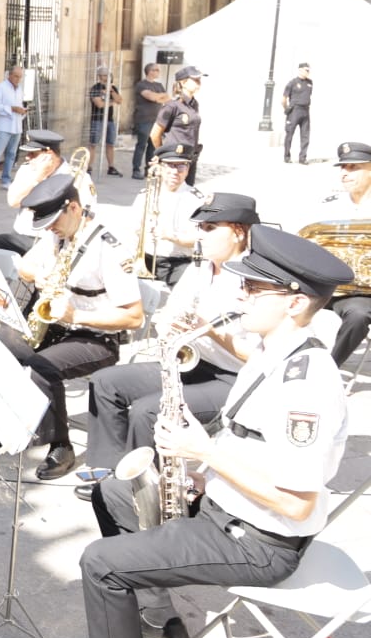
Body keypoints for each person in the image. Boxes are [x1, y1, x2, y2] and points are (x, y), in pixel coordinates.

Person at [56, 224, 350, 638]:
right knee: (112, 492)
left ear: (296, 303)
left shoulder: (306, 386)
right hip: (228, 507)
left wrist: (207, 456)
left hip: (257, 541)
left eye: (256, 288)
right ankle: (152, 613)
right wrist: (200, 472)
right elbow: (253, 446)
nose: (242, 294)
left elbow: (296, 502)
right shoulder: (271, 353)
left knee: (99, 561)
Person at [79, 193, 261, 501]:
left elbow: (260, 357)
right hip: (192, 363)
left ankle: (140, 490)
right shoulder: (201, 267)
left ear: (238, 232)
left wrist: (210, 330)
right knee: (106, 382)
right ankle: (109, 471)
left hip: (233, 378)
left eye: (209, 227)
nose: (200, 235)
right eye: (200, 227)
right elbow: (172, 311)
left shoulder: (255, 280)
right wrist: (167, 328)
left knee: (146, 411)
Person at [0, 174, 143, 480]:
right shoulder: (57, 234)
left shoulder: (109, 246)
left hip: (96, 335)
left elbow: (134, 317)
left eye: (53, 220)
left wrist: (77, 317)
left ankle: (60, 446)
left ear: (74, 207)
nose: (49, 228)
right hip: (59, 324)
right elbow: (24, 265)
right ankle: (16, 424)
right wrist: (41, 276)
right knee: (0, 344)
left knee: (41, 367)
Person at [302, 140, 371, 365]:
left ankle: (328, 368)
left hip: (360, 293)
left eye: (353, 168)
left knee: (359, 316)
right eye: (343, 167)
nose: (345, 173)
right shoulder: (326, 205)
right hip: (323, 286)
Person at [0, 129, 96, 255]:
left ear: (49, 154)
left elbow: (85, 215)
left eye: (33, 154)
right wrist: (38, 177)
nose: (27, 157)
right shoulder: (28, 170)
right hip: (20, 236)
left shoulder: (77, 176)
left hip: (51, 239)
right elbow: (13, 201)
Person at [128, 143, 207, 287]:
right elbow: (132, 232)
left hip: (177, 263)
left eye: (181, 166)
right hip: (145, 259)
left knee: (190, 291)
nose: (175, 172)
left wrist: (171, 236)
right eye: (170, 166)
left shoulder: (197, 200)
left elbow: (200, 240)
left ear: (188, 169)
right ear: (161, 168)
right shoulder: (145, 195)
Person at [151, 66, 203, 187]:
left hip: (190, 157)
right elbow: (155, 134)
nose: (199, 82)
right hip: (175, 159)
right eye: (195, 79)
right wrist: (162, 155)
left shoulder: (194, 104)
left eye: (199, 79)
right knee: (172, 191)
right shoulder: (172, 106)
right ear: (183, 82)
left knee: (187, 192)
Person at [0, 65, 27, 189]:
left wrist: (22, 111)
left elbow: (19, 105)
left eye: (20, 77)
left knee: (11, 154)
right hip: (4, 126)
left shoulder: (19, 89)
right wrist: (12, 109)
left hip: (16, 126)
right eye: (16, 76)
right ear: (10, 75)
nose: (18, 79)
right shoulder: (1, 88)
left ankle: (6, 180)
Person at [131, 63, 167, 179]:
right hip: (144, 119)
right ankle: (136, 170)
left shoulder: (159, 85)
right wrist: (158, 97)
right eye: (156, 70)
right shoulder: (141, 85)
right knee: (141, 145)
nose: (158, 72)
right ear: (150, 71)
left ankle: (149, 169)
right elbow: (151, 97)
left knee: (153, 146)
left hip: (157, 120)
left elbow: (167, 98)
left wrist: (158, 97)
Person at [88, 66, 123, 176]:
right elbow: (99, 104)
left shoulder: (113, 88)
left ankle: (111, 167)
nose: (107, 77)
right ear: (100, 76)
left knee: (110, 144)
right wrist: (112, 103)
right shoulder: (95, 88)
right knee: (93, 144)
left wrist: (111, 91)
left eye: (108, 75)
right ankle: (88, 167)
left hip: (109, 120)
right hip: (97, 119)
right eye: (104, 75)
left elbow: (120, 100)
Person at [283, 62, 313, 165]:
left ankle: (302, 158)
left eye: (308, 70)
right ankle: (287, 156)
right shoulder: (292, 83)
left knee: (305, 136)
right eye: (306, 70)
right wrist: (287, 108)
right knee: (289, 134)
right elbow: (283, 99)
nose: (308, 72)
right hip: (294, 111)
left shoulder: (310, 83)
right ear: (300, 70)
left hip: (305, 111)